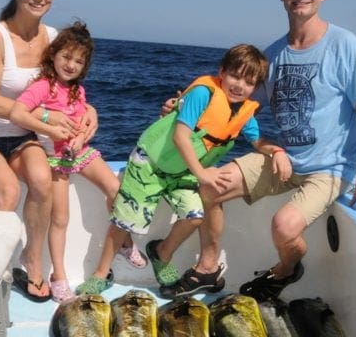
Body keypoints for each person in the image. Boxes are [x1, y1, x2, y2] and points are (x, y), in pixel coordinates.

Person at [189, 0, 356, 302]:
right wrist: (186, 106)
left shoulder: (344, 44)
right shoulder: (274, 54)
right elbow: (238, 105)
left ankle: (286, 269)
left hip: (330, 169)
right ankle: (207, 268)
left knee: (284, 227)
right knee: (210, 187)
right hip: (284, 160)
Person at [75, 44, 279, 298]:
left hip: (181, 173)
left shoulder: (244, 114)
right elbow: (182, 137)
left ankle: (162, 253)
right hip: (150, 164)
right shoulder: (202, 94)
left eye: (249, 82)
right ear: (222, 71)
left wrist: (278, 152)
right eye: (235, 76)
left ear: (256, 88)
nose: (240, 85)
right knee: (125, 220)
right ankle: (101, 273)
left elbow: (258, 140)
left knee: (195, 215)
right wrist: (202, 174)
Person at [0, 0, 97, 302]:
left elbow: (64, 89)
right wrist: (45, 119)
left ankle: (32, 259)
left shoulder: (53, 38)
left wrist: (89, 110)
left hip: (26, 137)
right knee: (7, 190)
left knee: (41, 182)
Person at [9, 21, 145, 303]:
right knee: (59, 219)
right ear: (54, 55)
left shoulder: (78, 91)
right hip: (55, 160)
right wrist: (48, 125)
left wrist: (81, 135)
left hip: (80, 153)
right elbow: (19, 113)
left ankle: (124, 243)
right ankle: (59, 276)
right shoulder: (42, 86)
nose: (71, 65)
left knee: (118, 192)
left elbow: (82, 120)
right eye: (67, 57)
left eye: (79, 61)